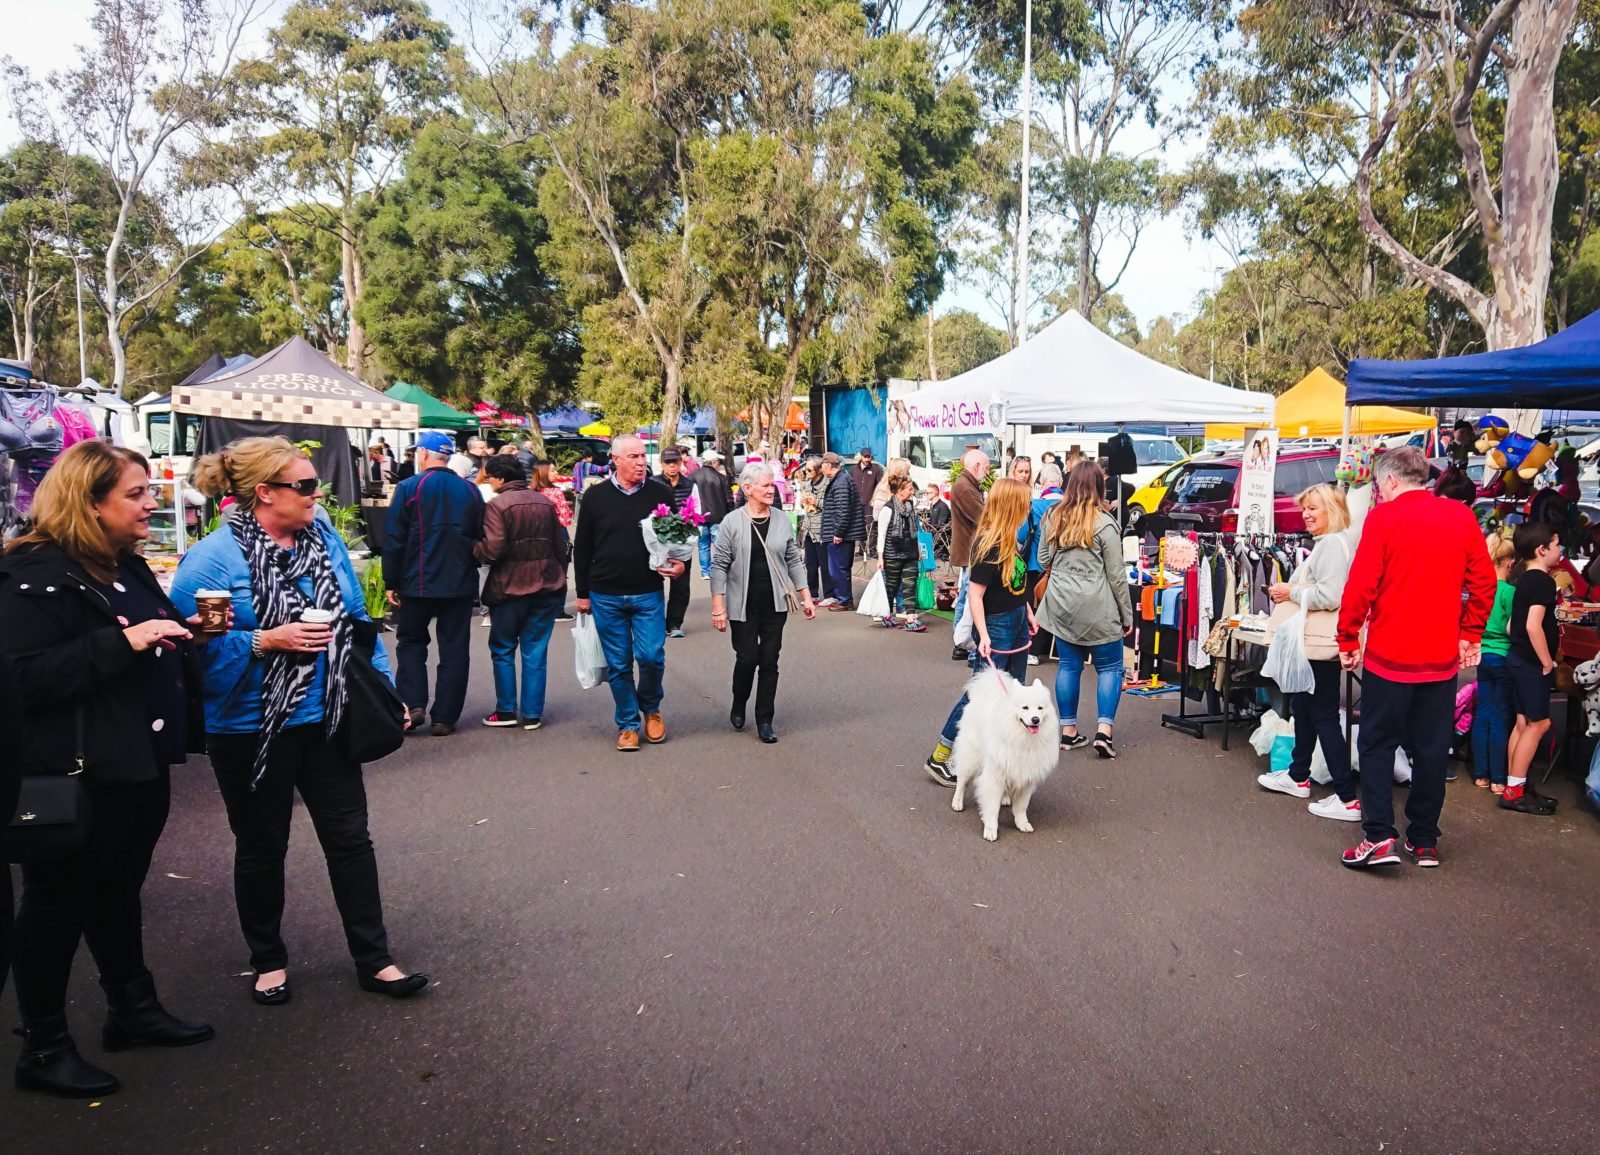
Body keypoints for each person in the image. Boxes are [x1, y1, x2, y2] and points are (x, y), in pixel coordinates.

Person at [175, 437, 428, 1007]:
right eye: (306, 487)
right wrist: (266, 640)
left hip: (328, 715)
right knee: (263, 846)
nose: (318, 495)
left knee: (350, 841)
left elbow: (359, 621)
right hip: (249, 728)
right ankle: (267, 960)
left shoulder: (324, 540)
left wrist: (383, 687)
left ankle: (375, 959)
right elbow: (199, 655)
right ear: (264, 493)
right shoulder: (212, 560)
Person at [0, 441, 214, 1098]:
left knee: (119, 893)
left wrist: (190, 634)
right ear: (88, 502)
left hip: (137, 765)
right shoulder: (32, 575)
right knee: (54, 908)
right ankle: (43, 1044)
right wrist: (123, 641)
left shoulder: (125, 564)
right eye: (136, 494)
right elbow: (21, 678)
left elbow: (158, 630)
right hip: (71, 777)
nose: (153, 503)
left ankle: (132, 1009)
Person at [1336, 446, 1496, 869]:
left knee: (1376, 744)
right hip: (1439, 659)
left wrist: (1347, 637)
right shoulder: (1460, 517)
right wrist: (1470, 632)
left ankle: (1379, 835)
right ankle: (1423, 838)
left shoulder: (1384, 518)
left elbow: (1361, 585)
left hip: (1390, 656)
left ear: (1389, 481)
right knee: (1430, 749)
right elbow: (1484, 582)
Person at [572, 434, 683, 752]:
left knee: (651, 657)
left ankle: (651, 708)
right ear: (616, 460)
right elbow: (583, 547)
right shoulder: (595, 497)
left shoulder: (660, 493)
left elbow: (674, 541)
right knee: (619, 664)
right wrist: (582, 593)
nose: (640, 462)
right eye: (633, 456)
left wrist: (679, 567)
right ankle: (627, 724)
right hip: (605, 593)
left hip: (647, 591)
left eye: (642, 456)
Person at [924, 478, 1037, 785]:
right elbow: (974, 595)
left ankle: (1004, 757)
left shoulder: (1012, 540)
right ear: (1011, 506)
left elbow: (1017, 584)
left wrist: (1027, 611)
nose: (1029, 509)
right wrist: (984, 635)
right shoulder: (989, 543)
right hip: (997, 624)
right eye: (1024, 503)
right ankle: (941, 756)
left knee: (1015, 692)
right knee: (981, 694)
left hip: (1015, 621)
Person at [1256, 484, 1360, 818]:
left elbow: (1331, 596)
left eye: (1313, 508)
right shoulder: (1337, 543)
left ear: (1331, 509)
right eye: (1305, 509)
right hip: (1315, 644)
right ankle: (1298, 775)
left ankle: (1346, 797)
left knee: (1324, 715)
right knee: (1305, 706)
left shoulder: (1330, 544)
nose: (1306, 514)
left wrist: (1291, 591)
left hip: (1318, 642)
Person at [383, 429, 485, 737]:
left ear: (424, 455)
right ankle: (445, 717)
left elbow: (394, 539)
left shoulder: (409, 487)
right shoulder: (469, 491)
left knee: (411, 643)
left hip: (417, 582)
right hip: (458, 582)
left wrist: (391, 580)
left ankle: (413, 704)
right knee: (454, 648)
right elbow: (480, 534)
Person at [709, 463, 817, 743]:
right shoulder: (732, 522)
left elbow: (793, 558)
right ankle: (738, 701)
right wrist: (718, 606)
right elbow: (719, 565)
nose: (772, 490)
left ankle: (765, 719)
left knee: (769, 660)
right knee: (747, 658)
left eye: (773, 485)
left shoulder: (781, 520)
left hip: (775, 603)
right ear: (748, 489)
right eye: (766, 486)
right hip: (741, 603)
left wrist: (806, 596)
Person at [1036, 461, 1133, 759]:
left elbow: (1042, 559)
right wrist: (1127, 615)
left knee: (1068, 666)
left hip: (1062, 605)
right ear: (1099, 487)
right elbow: (1116, 575)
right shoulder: (1105, 523)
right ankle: (1104, 731)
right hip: (1098, 605)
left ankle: (1068, 732)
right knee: (1109, 667)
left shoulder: (1054, 517)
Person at [474, 455, 568, 730]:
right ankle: (532, 713)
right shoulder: (544, 502)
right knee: (535, 650)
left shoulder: (497, 506)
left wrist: (472, 548)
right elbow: (558, 545)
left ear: (500, 478)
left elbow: (492, 550)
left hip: (509, 587)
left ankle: (506, 710)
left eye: (490, 477)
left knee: (503, 648)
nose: (489, 482)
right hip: (547, 584)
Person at [1501, 522, 1564, 815]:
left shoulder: (1523, 579)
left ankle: (1516, 784)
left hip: (1516, 657)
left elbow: (1512, 624)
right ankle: (1514, 790)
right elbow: (1531, 625)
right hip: (1530, 662)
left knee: (1523, 722)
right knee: (1539, 724)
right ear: (1542, 550)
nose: (1560, 550)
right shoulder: (1543, 582)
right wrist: (1547, 661)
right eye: (1556, 544)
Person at [1471, 530, 1517, 794]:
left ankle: (1480, 774)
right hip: (1503, 656)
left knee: (1483, 713)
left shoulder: (1483, 589)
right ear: (1510, 561)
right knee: (1500, 716)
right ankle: (1499, 778)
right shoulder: (1510, 592)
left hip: (1482, 655)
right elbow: (1513, 628)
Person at [949, 448, 990, 660]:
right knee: (968, 597)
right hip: (970, 550)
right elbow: (982, 518)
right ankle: (963, 643)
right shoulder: (965, 488)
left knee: (966, 596)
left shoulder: (966, 485)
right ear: (976, 467)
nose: (988, 471)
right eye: (986, 467)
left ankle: (961, 643)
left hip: (969, 549)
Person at [654, 447, 696, 638]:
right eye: (668, 462)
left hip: (682, 542)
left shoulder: (690, 485)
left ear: (681, 463)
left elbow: (696, 511)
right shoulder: (652, 483)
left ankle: (674, 624)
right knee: (653, 584)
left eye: (675, 462)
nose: (672, 466)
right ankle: (654, 623)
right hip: (656, 542)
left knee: (681, 587)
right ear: (661, 464)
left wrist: (691, 537)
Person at [876, 475, 927, 632]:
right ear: (899, 491)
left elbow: (915, 531)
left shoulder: (911, 507)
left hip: (910, 553)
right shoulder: (887, 509)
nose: (912, 492)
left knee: (910, 586)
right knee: (892, 586)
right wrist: (880, 557)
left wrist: (918, 549)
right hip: (893, 554)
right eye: (910, 489)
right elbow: (882, 534)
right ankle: (887, 615)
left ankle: (910, 619)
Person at [1026, 464, 1064, 661]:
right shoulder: (1069, 504)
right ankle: (1057, 649)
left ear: (1042, 482)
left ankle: (1033, 651)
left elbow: (1024, 533)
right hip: (1063, 563)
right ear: (1061, 482)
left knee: (1036, 606)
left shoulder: (1035, 505)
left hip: (1037, 562)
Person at [820, 451, 866, 610]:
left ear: (828, 466)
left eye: (822, 466)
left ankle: (844, 600)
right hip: (843, 533)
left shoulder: (840, 482)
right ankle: (844, 598)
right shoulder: (843, 479)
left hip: (840, 534)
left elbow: (843, 510)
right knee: (841, 567)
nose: (821, 470)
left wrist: (838, 533)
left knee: (838, 568)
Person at [689, 449, 733, 580]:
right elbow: (729, 499)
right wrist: (731, 514)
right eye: (717, 461)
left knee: (703, 545)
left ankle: (705, 572)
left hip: (699, 516)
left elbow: (689, 497)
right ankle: (720, 569)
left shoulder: (693, 476)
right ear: (713, 462)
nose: (718, 463)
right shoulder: (721, 478)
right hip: (718, 516)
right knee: (719, 545)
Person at [793, 457, 828, 601]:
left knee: (825, 564)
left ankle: (829, 594)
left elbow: (831, 504)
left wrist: (817, 502)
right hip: (808, 528)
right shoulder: (806, 485)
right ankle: (812, 594)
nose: (806, 472)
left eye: (809, 470)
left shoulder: (827, 485)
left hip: (821, 528)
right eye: (805, 469)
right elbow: (805, 507)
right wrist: (803, 503)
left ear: (818, 470)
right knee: (810, 564)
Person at [850, 449, 884, 557]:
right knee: (859, 526)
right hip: (857, 503)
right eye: (865, 457)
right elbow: (849, 484)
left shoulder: (876, 469)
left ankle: (873, 550)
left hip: (870, 504)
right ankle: (862, 549)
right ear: (861, 456)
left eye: (869, 457)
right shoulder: (854, 469)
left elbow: (880, 486)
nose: (867, 459)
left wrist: (876, 498)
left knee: (871, 527)